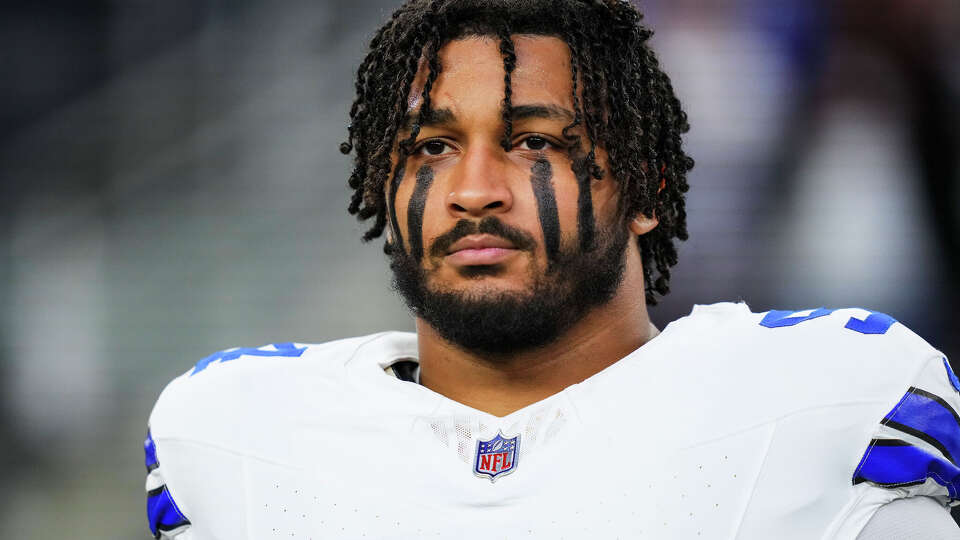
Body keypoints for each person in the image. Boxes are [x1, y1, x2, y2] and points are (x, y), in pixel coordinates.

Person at [143, 1, 960, 538]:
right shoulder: (232, 432)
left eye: (534, 141)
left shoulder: (839, 397)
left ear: (647, 190)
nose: (471, 192)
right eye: (432, 147)